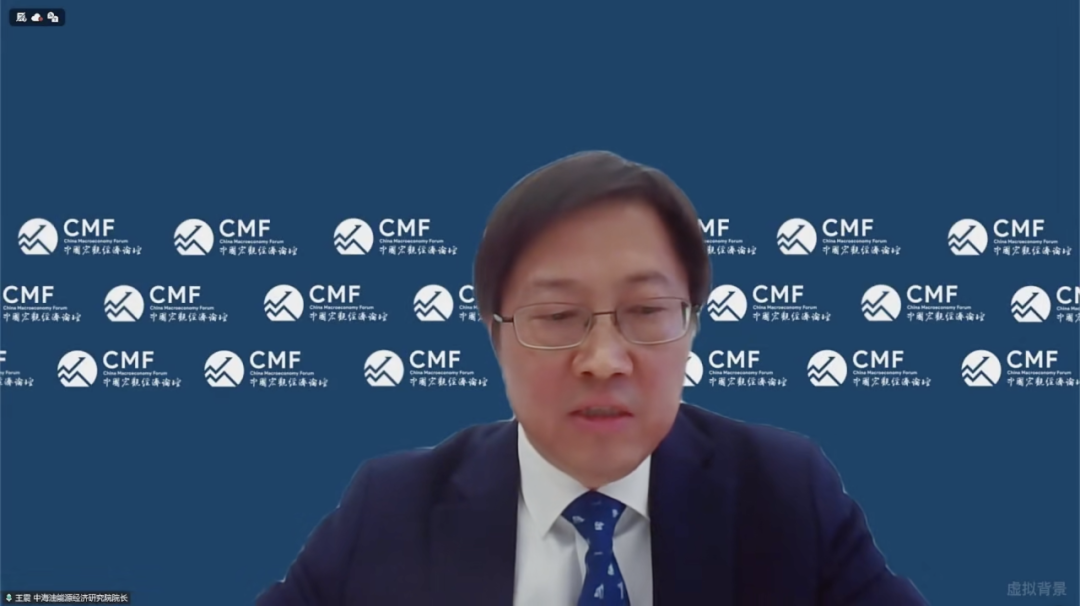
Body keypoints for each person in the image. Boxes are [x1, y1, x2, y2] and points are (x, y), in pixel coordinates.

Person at [255, 151, 929, 605]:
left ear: (692, 324)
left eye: (646, 312)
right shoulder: (392, 510)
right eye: (557, 317)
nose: (604, 359)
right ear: (496, 334)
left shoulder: (784, 496)